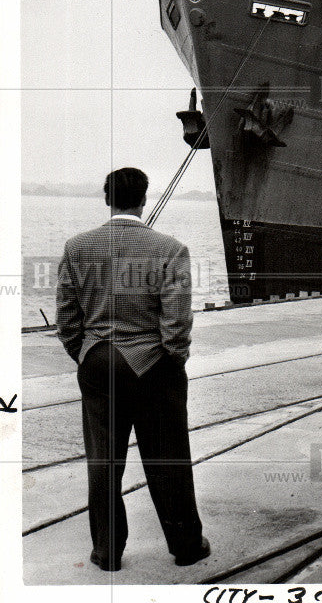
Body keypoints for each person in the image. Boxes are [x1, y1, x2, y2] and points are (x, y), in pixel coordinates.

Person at [55, 167, 209, 572]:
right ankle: (186, 546)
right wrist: (170, 363)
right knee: (168, 459)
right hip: (153, 365)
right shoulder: (169, 249)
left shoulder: (77, 248)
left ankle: (107, 553)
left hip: (98, 363)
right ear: (144, 198)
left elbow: (67, 318)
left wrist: (87, 353)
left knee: (103, 462)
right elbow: (176, 322)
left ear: (108, 199)